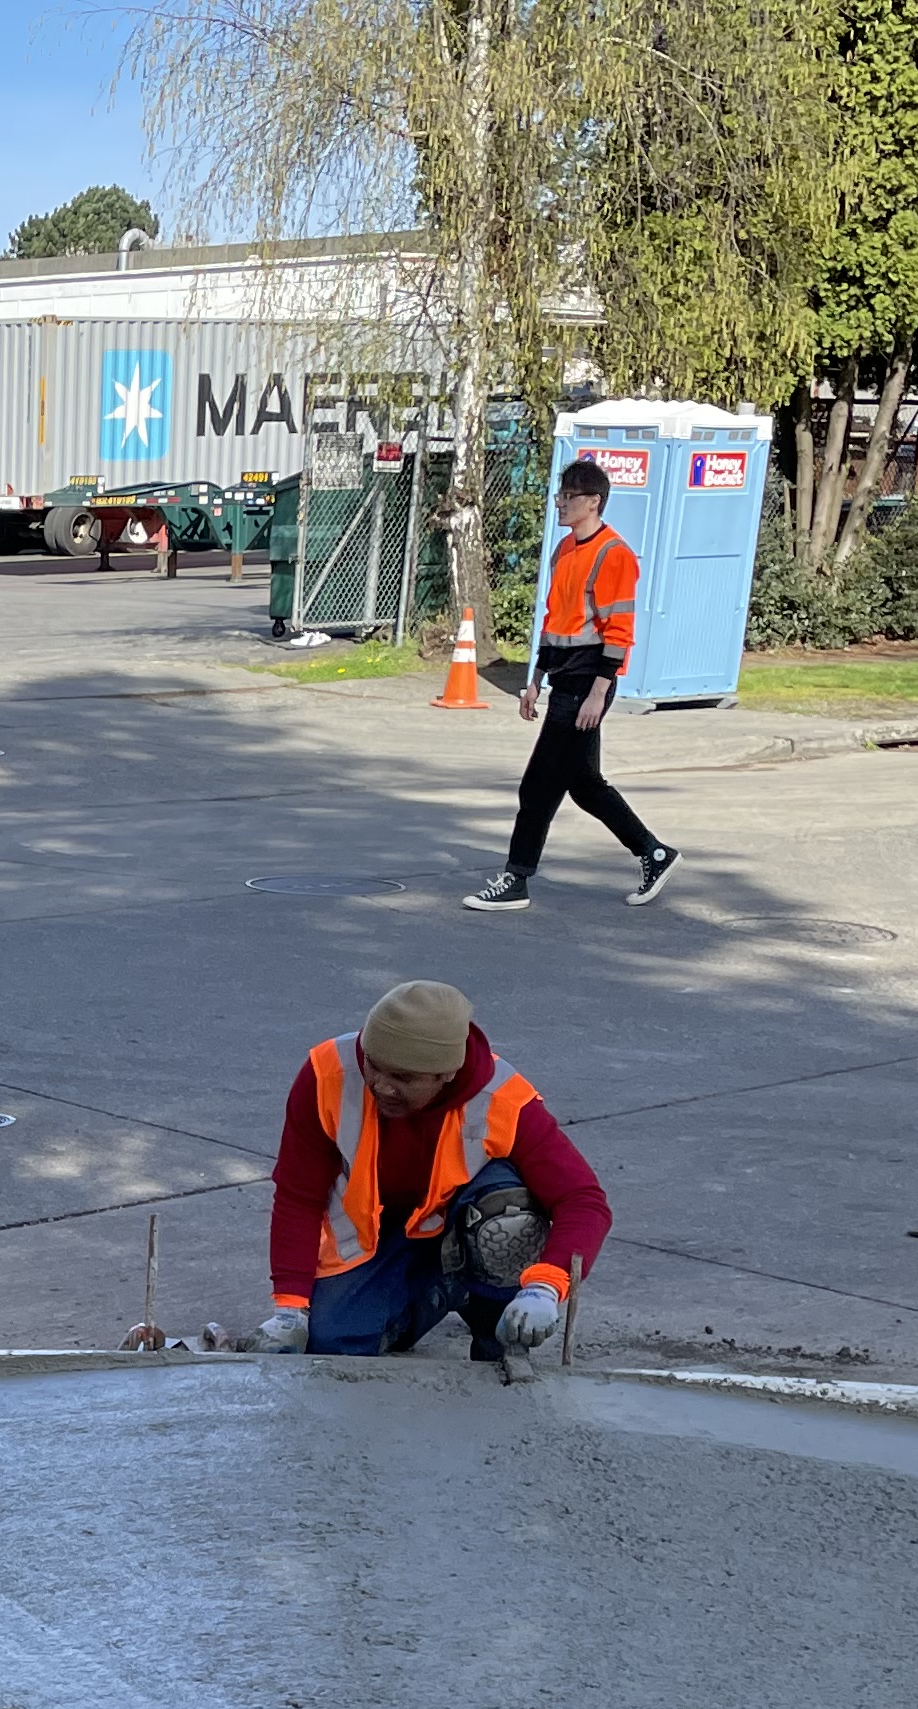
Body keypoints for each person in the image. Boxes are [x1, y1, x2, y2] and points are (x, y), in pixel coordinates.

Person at [254, 980, 610, 1358]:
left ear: (447, 1075)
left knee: (508, 1215)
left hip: (468, 1225)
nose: (382, 1087)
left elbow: (583, 1200)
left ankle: (498, 1338)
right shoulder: (328, 1074)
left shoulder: (502, 1099)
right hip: (384, 1236)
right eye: (373, 1065)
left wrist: (547, 1285)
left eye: (404, 1078)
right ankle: (434, 1295)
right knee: (332, 1343)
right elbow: (298, 1196)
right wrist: (291, 1309)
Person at [465, 458, 680, 912]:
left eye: (569, 496)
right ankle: (654, 853)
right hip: (562, 675)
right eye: (560, 495)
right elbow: (554, 622)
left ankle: (516, 878)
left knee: (539, 784)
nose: (560, 503)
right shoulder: (565, 549)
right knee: (584, 784)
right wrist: (534, 680)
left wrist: (599, 693)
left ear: (594, 502)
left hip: (588, 681)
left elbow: (620, 630)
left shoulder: (613, 554)